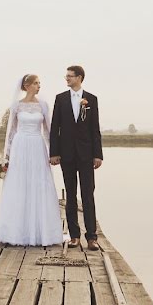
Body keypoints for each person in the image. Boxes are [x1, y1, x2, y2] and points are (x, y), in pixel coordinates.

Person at [0, 74, 63, 246]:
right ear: (27, 85)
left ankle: (41, 231)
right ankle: (16, 231)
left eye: (40, 83)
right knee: (19, 183)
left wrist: (52, 152)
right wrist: (7, 156)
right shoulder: (16, 106)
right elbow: (11, 132)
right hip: (20, 146)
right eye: (36, 83)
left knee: (39, 183)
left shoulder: (43, 105)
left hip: (37, 145)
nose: (39, 86)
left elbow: (47, 131)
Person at [49, 65, 103, 251]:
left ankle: (92, 237)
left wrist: (98, 155)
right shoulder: (60, 99)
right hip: (67, 154)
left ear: (79, 77)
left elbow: (95, 129)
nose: (67, 79)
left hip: (87, 155)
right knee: (70, 195)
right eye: (66, 76)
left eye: (70, 76)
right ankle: (74, 236)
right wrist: (54, 153)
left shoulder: (91, 100)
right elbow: (55, 127)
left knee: (88, 195)